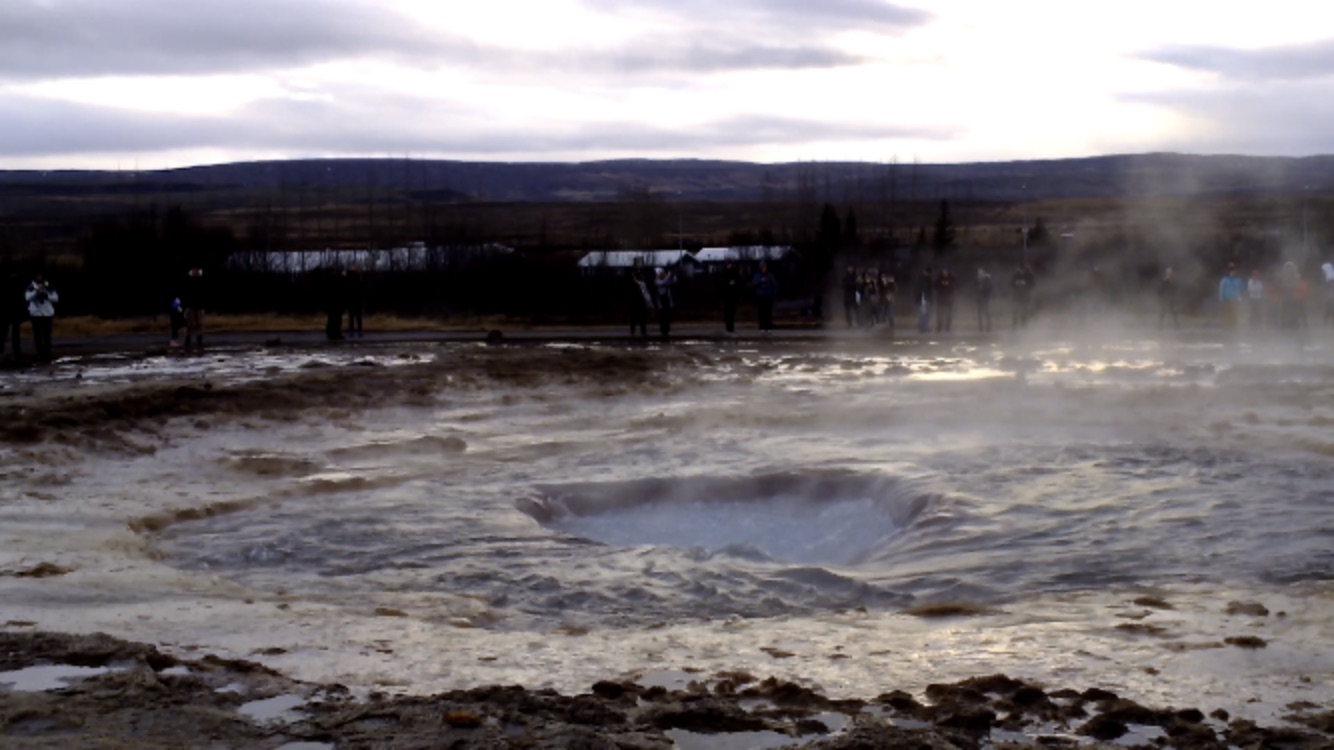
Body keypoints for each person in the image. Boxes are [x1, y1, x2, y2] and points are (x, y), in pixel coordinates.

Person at [25, 273, 58, 363]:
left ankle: (47, 354)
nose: (39, 278)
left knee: (47, 335)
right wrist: (36, 291)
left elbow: (56, 298)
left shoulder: (49, 287)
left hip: (47, 313)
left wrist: (47, 295)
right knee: (37, 335)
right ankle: (39, 353)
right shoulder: (31, 287)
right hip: (36, 314)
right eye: (37, 276)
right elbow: (27, 298)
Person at [182, 267, 207, 349]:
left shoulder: (202, 282)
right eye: (194, 271)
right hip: (190, 306)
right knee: (189, 324)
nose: (195, 272)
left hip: (199, 306)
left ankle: (199, 340)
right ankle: (188, 340)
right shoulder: (188, 282)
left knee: (200, 324)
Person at [1, 271, 23, 360]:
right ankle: (16, 349)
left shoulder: (6, 287)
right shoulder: (17, 288)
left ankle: (6, 348)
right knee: (13, 332)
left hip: (8, 312)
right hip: (12, 312)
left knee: (5, 332)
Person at [1218, 263, 1245, 331]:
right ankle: (1227, 326)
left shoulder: (1238, 280)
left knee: (1235, 313)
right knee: (1227, 313)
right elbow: (1221, 289)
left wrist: (1241, 297)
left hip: (1235, 299)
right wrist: (1221, 298)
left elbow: (1241, 289)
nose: (1232, 272)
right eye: (1231, 270)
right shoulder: (1224, 280)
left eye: (1234, 270)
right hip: (1227, 299)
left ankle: (1234, 326)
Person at [751, 262, 778, 331]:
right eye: (762, 267)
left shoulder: (770, 275)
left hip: (768, 296)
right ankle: (762, 327)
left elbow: (773, 285)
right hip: (760, 296)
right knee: (761, 312)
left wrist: (773, 294)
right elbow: (754, 285)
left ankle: (768, 326)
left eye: (765, 267)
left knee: (768, 312)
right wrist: (761, 282)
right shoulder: (757, 276)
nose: (764, 269)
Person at [717, 261, 742, 333]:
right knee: (727, 312)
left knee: (732, 312)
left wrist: (735, 284)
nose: (729, 266)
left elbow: (739, 283)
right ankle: (728, 327)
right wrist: (728, 284)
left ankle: (731, 327)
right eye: (728, 265)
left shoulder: (735, 273)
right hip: (726, 296)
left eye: (730, 265)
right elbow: (720, 284)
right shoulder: (723, 273)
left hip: (733, 296)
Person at [628, 266, 653, 338]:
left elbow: (645, 294)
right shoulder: (639, 284)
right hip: (638, 303)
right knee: (640, 318)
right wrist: (649, 303)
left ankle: (637, 331)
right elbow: (645, 294)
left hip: (637, 303)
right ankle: (640, 331)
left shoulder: (637, 284)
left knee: (637, 318)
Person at [654, 267, 676, 339]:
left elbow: (674, 281)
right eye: (661, 274)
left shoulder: (667, 281)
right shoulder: (657, 281)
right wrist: (669, 275)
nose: (663, 275)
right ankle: (663, 330)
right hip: (661, 301)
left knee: (668, 316)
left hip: (667, 301)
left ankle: (667, 329)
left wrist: (671, 275)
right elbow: (664, 283)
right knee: (662, 316)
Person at [1011, 263, 1035, 327]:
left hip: (1025, 296)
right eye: (1019, 269)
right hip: (1017, 296)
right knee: (1016, 310)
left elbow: (1032, 284)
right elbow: (1011, 283)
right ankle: (1015, 322)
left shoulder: (1028, 275)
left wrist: (1025, 284)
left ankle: (1023, 322)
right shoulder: (1016, 275)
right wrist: (1017, 283)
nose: (1020, 271)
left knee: (1024, 310)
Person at [345, 269, 365, 338]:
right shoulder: (359, 282)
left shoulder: (349, 282)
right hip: (357, 302)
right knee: (358, 318)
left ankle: (351, 332)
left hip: (352, 302)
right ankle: (359, 331)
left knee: (352, 318)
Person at [915, 266, 934, 332]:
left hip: (927, 299)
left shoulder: (929, 279)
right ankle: (922, 327)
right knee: (923, 314)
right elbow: (919, 290)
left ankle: (925, 327)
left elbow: (930, 291)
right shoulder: (921, 279)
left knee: (926, 314)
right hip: (922, 299)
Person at [976, 267, 993, 332]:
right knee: (979, 314)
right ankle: (980, 327)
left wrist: (982, 288)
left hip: (985, 298)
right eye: (979, 272)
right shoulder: (977, 279)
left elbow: (990, 287)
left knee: (986, 313)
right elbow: (974, 287)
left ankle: (988, 326)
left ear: (983, 272)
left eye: (981, 272)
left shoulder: (987, 279)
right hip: (979, 298)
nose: (980, 273)